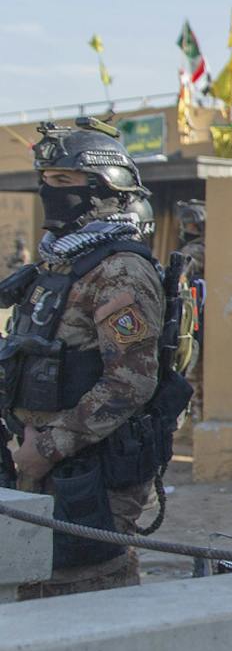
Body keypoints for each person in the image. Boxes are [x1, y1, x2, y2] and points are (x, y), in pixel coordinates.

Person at [0, 120, 175, 597]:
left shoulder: (120, 272)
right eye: (45, 179)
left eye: (63, 180)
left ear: (102, 189)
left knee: (86, 585)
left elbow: (129, 384)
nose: (48, 190)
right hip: (40, 461)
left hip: (89, 469)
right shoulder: (59, 265)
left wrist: (47, 449)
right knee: (31, 585)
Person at [174, 200, 206, 424]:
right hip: (203, 319)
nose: (187, 228)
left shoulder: (195, 250)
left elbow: (179, 277)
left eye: (190, 224)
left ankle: (196, 423)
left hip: (196, 321)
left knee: (192, 374)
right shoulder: (217, 245)